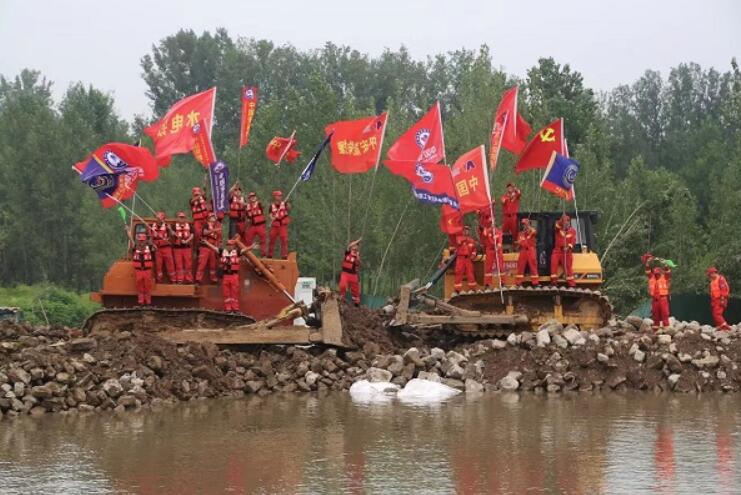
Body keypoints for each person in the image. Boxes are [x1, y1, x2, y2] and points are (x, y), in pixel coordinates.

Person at [202, 238, 247, 312]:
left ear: (234, 246)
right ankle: (228, 308)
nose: (230, 246)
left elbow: (245, 250)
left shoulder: (237, 252)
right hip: (226, 275)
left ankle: (235, 308)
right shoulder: (222, 251)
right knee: (226, 293)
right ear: (226, 246)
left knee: (234, 292)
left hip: (234, 275)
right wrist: (207, 243)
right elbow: (214, 248)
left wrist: (252, 246)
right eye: (228, 245)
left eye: (231, 245)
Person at [127, 231, 155, 305]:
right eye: (140, 241)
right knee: (139, 285)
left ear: (145, 241)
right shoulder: (135, 247)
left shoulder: (149, 247)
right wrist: (128, 233)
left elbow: (154, 247)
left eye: (143, 240)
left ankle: (148, 302)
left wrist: (150, 240)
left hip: (147, 270)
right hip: (139, 270)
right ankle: (141, 301)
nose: (141, 242)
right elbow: (131, 240)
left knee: (147, 285)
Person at [643, 254, 671, 330]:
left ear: (661, 272)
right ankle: (656, 325)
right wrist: (647, 263)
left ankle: (666, 325)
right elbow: (647, 271)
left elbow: (668, 272)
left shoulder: (664, 277)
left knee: (665, 312)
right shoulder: (651, 277)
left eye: (658, 272)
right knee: (655, 312)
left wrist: (665, 264)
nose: (657, 273)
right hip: (655, 299)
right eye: (655, 272)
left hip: (663, 298)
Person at [550, 214, 577, 287]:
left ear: (569, 222)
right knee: (553, 265)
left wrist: (569, 247)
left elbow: (573, 240)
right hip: (557, 250)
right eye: (565, 221)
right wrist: (561, 219)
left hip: (566, 252)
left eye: (567, 221)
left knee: (568, 267)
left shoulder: (572, 231)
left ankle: (571, 284)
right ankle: (553, 282)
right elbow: (557, 226)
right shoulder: (558, 229)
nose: (566, 223)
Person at [149, 211, 176, 283]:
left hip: (166, 248)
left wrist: (170, 229)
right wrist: (153, 245)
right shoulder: (151, 226)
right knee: (158, 266)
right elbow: (150, 239)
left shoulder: (167, 226)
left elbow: (172, 236)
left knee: (170, 264)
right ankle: (159, 280)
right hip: (157, 249)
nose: (160, 220)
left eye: (162, 218)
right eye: (158, 218)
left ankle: (173, 280)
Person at [196, 212, 222, 284]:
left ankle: (213, 279)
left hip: (213, 248)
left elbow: (218, 239)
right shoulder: (206, 225)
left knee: (213, 265)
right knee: (202, 264)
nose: (214, 218)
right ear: (209, 218)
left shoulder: (216, 226)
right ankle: (198, 280)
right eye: (212, 217)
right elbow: (204, 233)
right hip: (205, 247)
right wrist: (214, 230)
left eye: (214, 217)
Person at [480, 220, 504, 288]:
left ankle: (502, 282)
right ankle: (488, 283)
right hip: (489, 250)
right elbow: (483, 236)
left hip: (498, 250)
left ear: (494, 223)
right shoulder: (487, 231)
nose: (492, 224)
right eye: (490, 223)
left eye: (492, 223)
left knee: (500, 266)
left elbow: (500, 241)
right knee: (488, 267)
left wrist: (498, 246)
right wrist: (482, 230)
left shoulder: (498, 232)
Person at [515, 218, 539, 286]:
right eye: (523, 224)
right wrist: (518, 244)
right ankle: (518, 282)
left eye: (525, 224)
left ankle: (535, 282)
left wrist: (529, 229)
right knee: (520, 266)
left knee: (533, 266)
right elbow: (518, 244)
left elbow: (535, 232)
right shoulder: (520, 234)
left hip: (531, 250)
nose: (524, 226)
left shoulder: (532, 231)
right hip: (523, 250)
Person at [454, 226, 477, 292]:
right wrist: (464, 239)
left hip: (468, 259)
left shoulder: (471, 241)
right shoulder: (458, 238)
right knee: (458, 273)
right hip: (460, 258)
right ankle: (457, 290)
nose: (466, 231)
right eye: (465, 230)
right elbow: (458, 243)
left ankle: (472, 289)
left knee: (470, 273)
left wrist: (473, 255)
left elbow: (474, 249)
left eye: (467, 230)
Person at [173, 211, 194, 284]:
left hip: (187, 247)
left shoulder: (189, 226)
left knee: (188, 264)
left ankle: (189, 279)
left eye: (183, 217)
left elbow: (192, 235)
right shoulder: (173, 226)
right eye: (180, 217)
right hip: (177, 248)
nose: (182, 218)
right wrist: (172, 233)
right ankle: (180, 279)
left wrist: (187, 241)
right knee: (179, 264)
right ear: (177, 218)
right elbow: (171, 236)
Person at [268, 190, 291, 259]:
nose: (280, 197)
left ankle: (284, 255)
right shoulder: (271, 205)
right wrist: (272, 218)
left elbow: (289, 208)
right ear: (275, 197)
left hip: (282, 225)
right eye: (278, 196)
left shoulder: (284, 203)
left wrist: (287, 202)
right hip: (275, 225)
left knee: (284, 240)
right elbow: (270, 214)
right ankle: (270, 254)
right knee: (272, 239)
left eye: (281, 196)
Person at [339, 238, 362, 306]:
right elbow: (349, 245)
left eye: (356, 246)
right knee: (342, 285)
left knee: (355, 290)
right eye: (354, 245)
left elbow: (359, 264)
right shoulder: (348, 252)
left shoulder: (356, 256)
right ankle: (341, 297)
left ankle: (356, 302)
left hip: (353, 275)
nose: (355, 247)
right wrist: (358, 240)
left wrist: (358, 257)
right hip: (345, 273)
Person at [245, 192, 268, 257]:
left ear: (256, 197)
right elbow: (247, 216)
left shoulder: (259, 204)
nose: (252, 198)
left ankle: (263, 255)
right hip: (252, 226)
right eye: (251, 197)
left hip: (260, 225)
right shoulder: (247, 206)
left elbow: (264, 207)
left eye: (253, 196)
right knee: (248, 240)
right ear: (249, 199)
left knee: (263, 240)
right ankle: (248, 255)